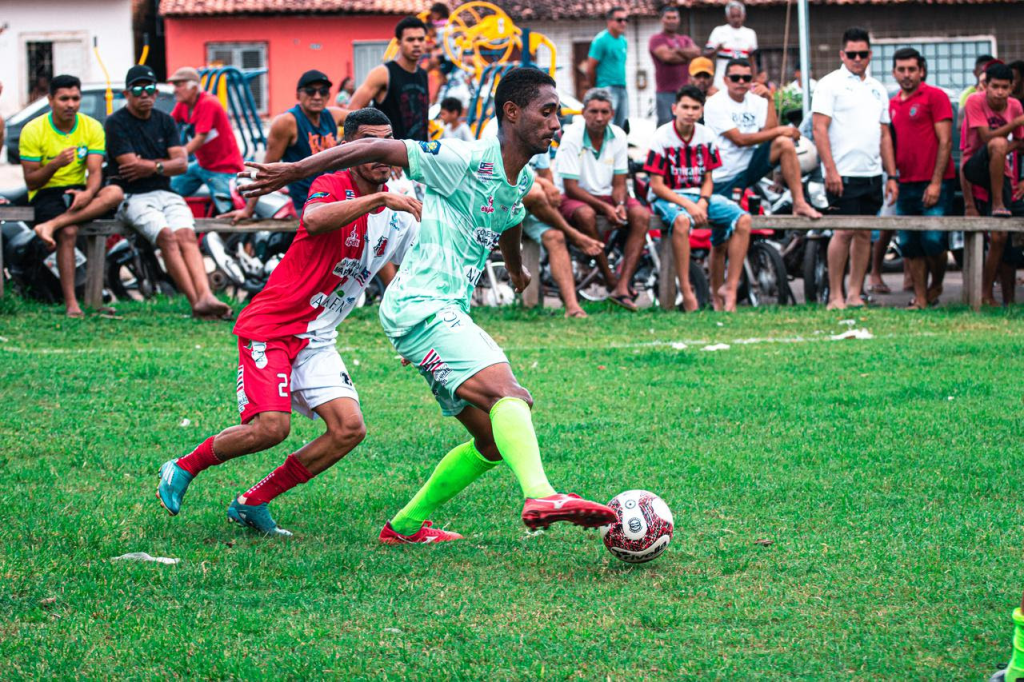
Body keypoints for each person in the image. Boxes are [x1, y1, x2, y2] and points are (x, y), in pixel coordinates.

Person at [241, 67, 617, 543]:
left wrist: (517, 268)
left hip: (433, 311)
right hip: (423, 304)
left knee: (490, 440)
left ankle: (404, 526)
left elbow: (510, 217)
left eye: (558, 114)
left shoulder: (520, 179)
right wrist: (295, 171)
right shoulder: (460, 157)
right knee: (510, 396)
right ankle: (541, 493)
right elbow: (375, 148)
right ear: (512, 113)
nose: (556, 123)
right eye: (547, 112)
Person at [156, 109, 423, 535]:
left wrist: (411, 333)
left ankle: (253, 501)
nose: (379, 153)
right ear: (346, 148)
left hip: (318, 337)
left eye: (385, 142)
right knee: (271, 429)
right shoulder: (332, 183)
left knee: (349, 430)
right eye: (367, 143)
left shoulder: (402, 203)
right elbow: (314, 220)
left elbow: (407, 274)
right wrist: (377, 199)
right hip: (273, 327)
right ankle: (182, 466)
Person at [105, 65, 232, 319]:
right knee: (167, 236)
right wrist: (164, 164)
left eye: (150, 89)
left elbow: (182, 163)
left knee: (186, 234)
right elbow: (130, 166)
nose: (145, 94)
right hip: (134, 196)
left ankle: (207, 296)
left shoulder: (165, 120)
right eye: (138, 89)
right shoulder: (115, 122)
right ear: (126, 93)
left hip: (169, 191)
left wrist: (152, 166)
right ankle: (196, 301)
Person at [18, 74, 124, 317]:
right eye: (64, 98)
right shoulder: (33, 130)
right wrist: (54, 164)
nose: (70, 104)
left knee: (115, 192)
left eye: (75, 98)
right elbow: (31, 180)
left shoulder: (92, 126)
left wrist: (88, 192)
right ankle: (72, 304)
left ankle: (51, 225)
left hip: (80, 189)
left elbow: (96, 171)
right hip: (47, 191)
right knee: (69, 232)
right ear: (50, 100)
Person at [811, 27, 897, 310]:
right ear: (842, 55)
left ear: (870, 55)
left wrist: (891, 175)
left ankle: (854, 294)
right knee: (843, 231)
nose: (857, 59)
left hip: (872, 174)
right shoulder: (829, 84)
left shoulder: (877, 89)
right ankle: (835, 295)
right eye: (851, 54)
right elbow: (819, 129)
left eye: (862, 54)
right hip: (841, 175)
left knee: (864, 234)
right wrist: (831, 171)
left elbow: (884, 134)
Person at [645, 85, 751, 312]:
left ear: (701, 111)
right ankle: (687, 290)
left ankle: (729, 288)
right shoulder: (661, 136)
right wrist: (689, 205)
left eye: (695, 108)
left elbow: (708, 178)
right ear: (675, 108)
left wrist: (702, 201)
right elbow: (657, 186)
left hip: (700, 196)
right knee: (682, 221)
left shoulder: (706, 135)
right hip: (669, 197)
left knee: (743, 219)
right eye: (685, 107)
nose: (690, 112)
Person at [554, 88, 651, 311]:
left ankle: (622, 286)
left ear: (612, 113)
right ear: (583, 113)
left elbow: (619, 183)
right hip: (574, 195)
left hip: (606, 194)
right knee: (586, 214)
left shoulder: (618, 135)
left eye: (604, 112)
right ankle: (610, 279)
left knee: (641, 215)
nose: (599, 117)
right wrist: (606, 207)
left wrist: (618, 205)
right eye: (594, 111)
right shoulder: (572, 136)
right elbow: (570, 187)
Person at [703, 58, 821, 219]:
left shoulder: (756, 100)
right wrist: (781, 130)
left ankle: (799, 203)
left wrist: (770, 100)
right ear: (725, 80)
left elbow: (769, 133)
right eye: (735, 78)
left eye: (746, 78)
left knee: (783, 143)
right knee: (723, 234)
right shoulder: (715, 103)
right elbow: (739, 140)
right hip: (724, 175)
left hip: (750, 167)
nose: (741, 82)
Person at [222, 70, 343, 222]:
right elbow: (266, 169)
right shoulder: (287, 122)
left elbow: (366, 119)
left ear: (328, 96)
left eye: (323, 91)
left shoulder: (332, 115)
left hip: (337, 195)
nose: (317, 96)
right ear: (298, 95)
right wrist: (248, 210)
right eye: (311, 91)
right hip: (308, 202)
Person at [888, 48, 954, 309]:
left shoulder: (935, 97)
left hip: (936, 182)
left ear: (922, 71)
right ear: (894, 72)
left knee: (934, 240)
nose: (906, 75)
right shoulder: (892, 104)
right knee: (910, 244)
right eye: (901, 70)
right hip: (905, 185)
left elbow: (946, 141)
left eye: (911, 69)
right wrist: (891, 178)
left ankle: (936, 283)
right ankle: (921, 298)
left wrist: (936, 182)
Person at [960, 62, 1024, 305]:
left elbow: (1021, 143)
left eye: (1005, 88)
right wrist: (1015, 126)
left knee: (999, 237)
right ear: (985, 86)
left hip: (1000, 170)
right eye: (995, 87)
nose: (999, 92)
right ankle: (997, 202)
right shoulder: (975, 101)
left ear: (1012, 87)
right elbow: (987, 137)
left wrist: (1010, 143)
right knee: (996, 144)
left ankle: (986, 292)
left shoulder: (1015, 105)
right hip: (975, 166)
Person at [168, 67, 245, 215]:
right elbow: (169, 125)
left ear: (194, 87)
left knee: (228, 212)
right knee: (169, 190)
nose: (175, 90)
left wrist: (178, 155)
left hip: (224, 169)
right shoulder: (184, 104)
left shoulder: (208, 103)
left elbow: (199, 139)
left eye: (179, 85)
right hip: (202, 165)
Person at [347, 17, 430, 142]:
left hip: (417, 153)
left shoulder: (423, 74)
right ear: (398, 43)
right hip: (389, 154)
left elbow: (423, 118)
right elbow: (352, 112)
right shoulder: (383, 73)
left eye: (421, 39)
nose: (417, 44)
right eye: (410, 39)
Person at [649, 5, 700, 126]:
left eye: (674, 18)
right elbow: (667, 57)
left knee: (685, 124)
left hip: (685, 91)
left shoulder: (684, 38)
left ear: (679, 20)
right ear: (662, 19)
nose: (671, 21)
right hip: (665, 92)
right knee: (666, 126)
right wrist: (686, 55)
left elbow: (696, 53)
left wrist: (675, 50)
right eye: (668, 18)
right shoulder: (656, 39)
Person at [586, 7, 630, 129]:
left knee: (621, 125)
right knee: (607, 123)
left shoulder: (623, 41)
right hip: (606, 88)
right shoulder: (601, 40)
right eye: (620, 19)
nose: (623, 23)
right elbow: (590, 68)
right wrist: (596, 90)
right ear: (609, 21)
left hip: (622, 87)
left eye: (626, 19)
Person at [704, 1, 758, 92]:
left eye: (738, 16)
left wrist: (754, 79)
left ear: (744, 16)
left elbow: (753, 60)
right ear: (727, 17)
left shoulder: (750, 33)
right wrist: (717, 49)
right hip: (722, 76)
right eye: (733, 16)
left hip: (742, 77)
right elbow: (706, 54)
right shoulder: (719, 31)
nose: (736, 19)